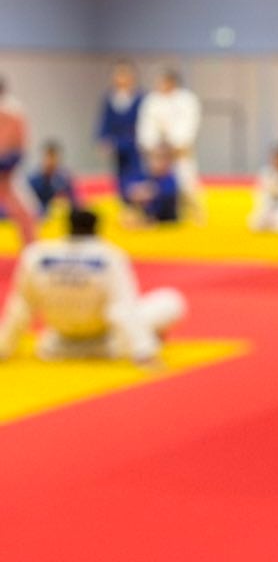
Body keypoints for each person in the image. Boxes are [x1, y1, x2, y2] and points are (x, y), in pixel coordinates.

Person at [0, 203, 186, 364]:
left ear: (67, 227)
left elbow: (20, 308)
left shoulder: (37, 256)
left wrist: (3, 348)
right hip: (106, 344)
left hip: (57, 344)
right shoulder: (108, 257)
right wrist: (144, 351)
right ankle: (144, 341)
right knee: (171, 301)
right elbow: (121, 309)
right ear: (96, 229)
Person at [136, 67, 202, 216]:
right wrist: (152, 146)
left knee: (187, 182)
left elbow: (190, 124)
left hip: (180, 149)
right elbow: (146, 125)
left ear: (173, 82)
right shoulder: (152, 101)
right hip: (157, 152)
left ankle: (195, 211)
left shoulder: (187, 100)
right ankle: (155, 211)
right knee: (153, 185)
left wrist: (178, 144)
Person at [95, 60, 145, 200]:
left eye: (124, 74)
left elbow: (145, 124)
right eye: (117, 74)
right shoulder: (110, 98)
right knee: (120, 180)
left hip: (136, 147)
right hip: (117, 146)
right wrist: (102, 139)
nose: (120, 78)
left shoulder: (141, 98)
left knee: (137, 180)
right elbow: (104, 122)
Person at [0, 77, 39, 246]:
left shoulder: (13, 112)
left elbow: (19, 149)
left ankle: (31, 252)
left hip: (8, 174)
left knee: (27, 212)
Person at [126, 146, 182, 224]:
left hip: (167, 224)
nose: (153, 163)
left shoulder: (170, 180)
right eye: (151, 159)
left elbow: (162, 194)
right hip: (150, 221)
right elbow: (131, 191)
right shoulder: (147, 177)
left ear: (168, 162)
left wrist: (148, 192)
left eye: (158, 159)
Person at [28, 141, 77, 218]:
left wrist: (66, 203)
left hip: (61, 218)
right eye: (48, 156)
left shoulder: (64, 178)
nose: (51, 161)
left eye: (54, 157)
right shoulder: (33, 180)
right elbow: (31, 205)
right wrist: (50, 207)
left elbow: (75, 202)